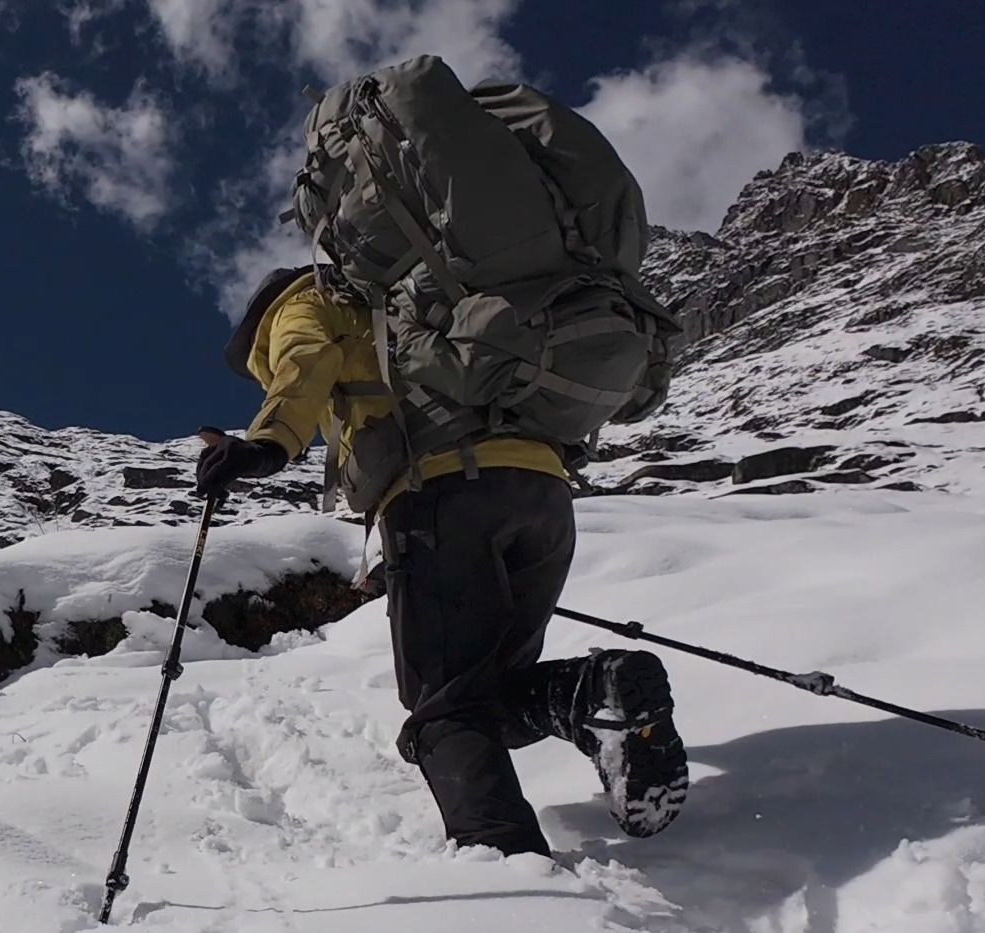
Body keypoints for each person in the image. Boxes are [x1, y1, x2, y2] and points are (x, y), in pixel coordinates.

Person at [198, 265, 688, 856]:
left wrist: (267, 443)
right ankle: (593, 690)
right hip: (544, 491)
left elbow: (304, 360)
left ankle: (508, 868)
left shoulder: (301, 307)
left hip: (439, 492)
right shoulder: (422, 305)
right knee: (490, 692)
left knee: (444, 710)